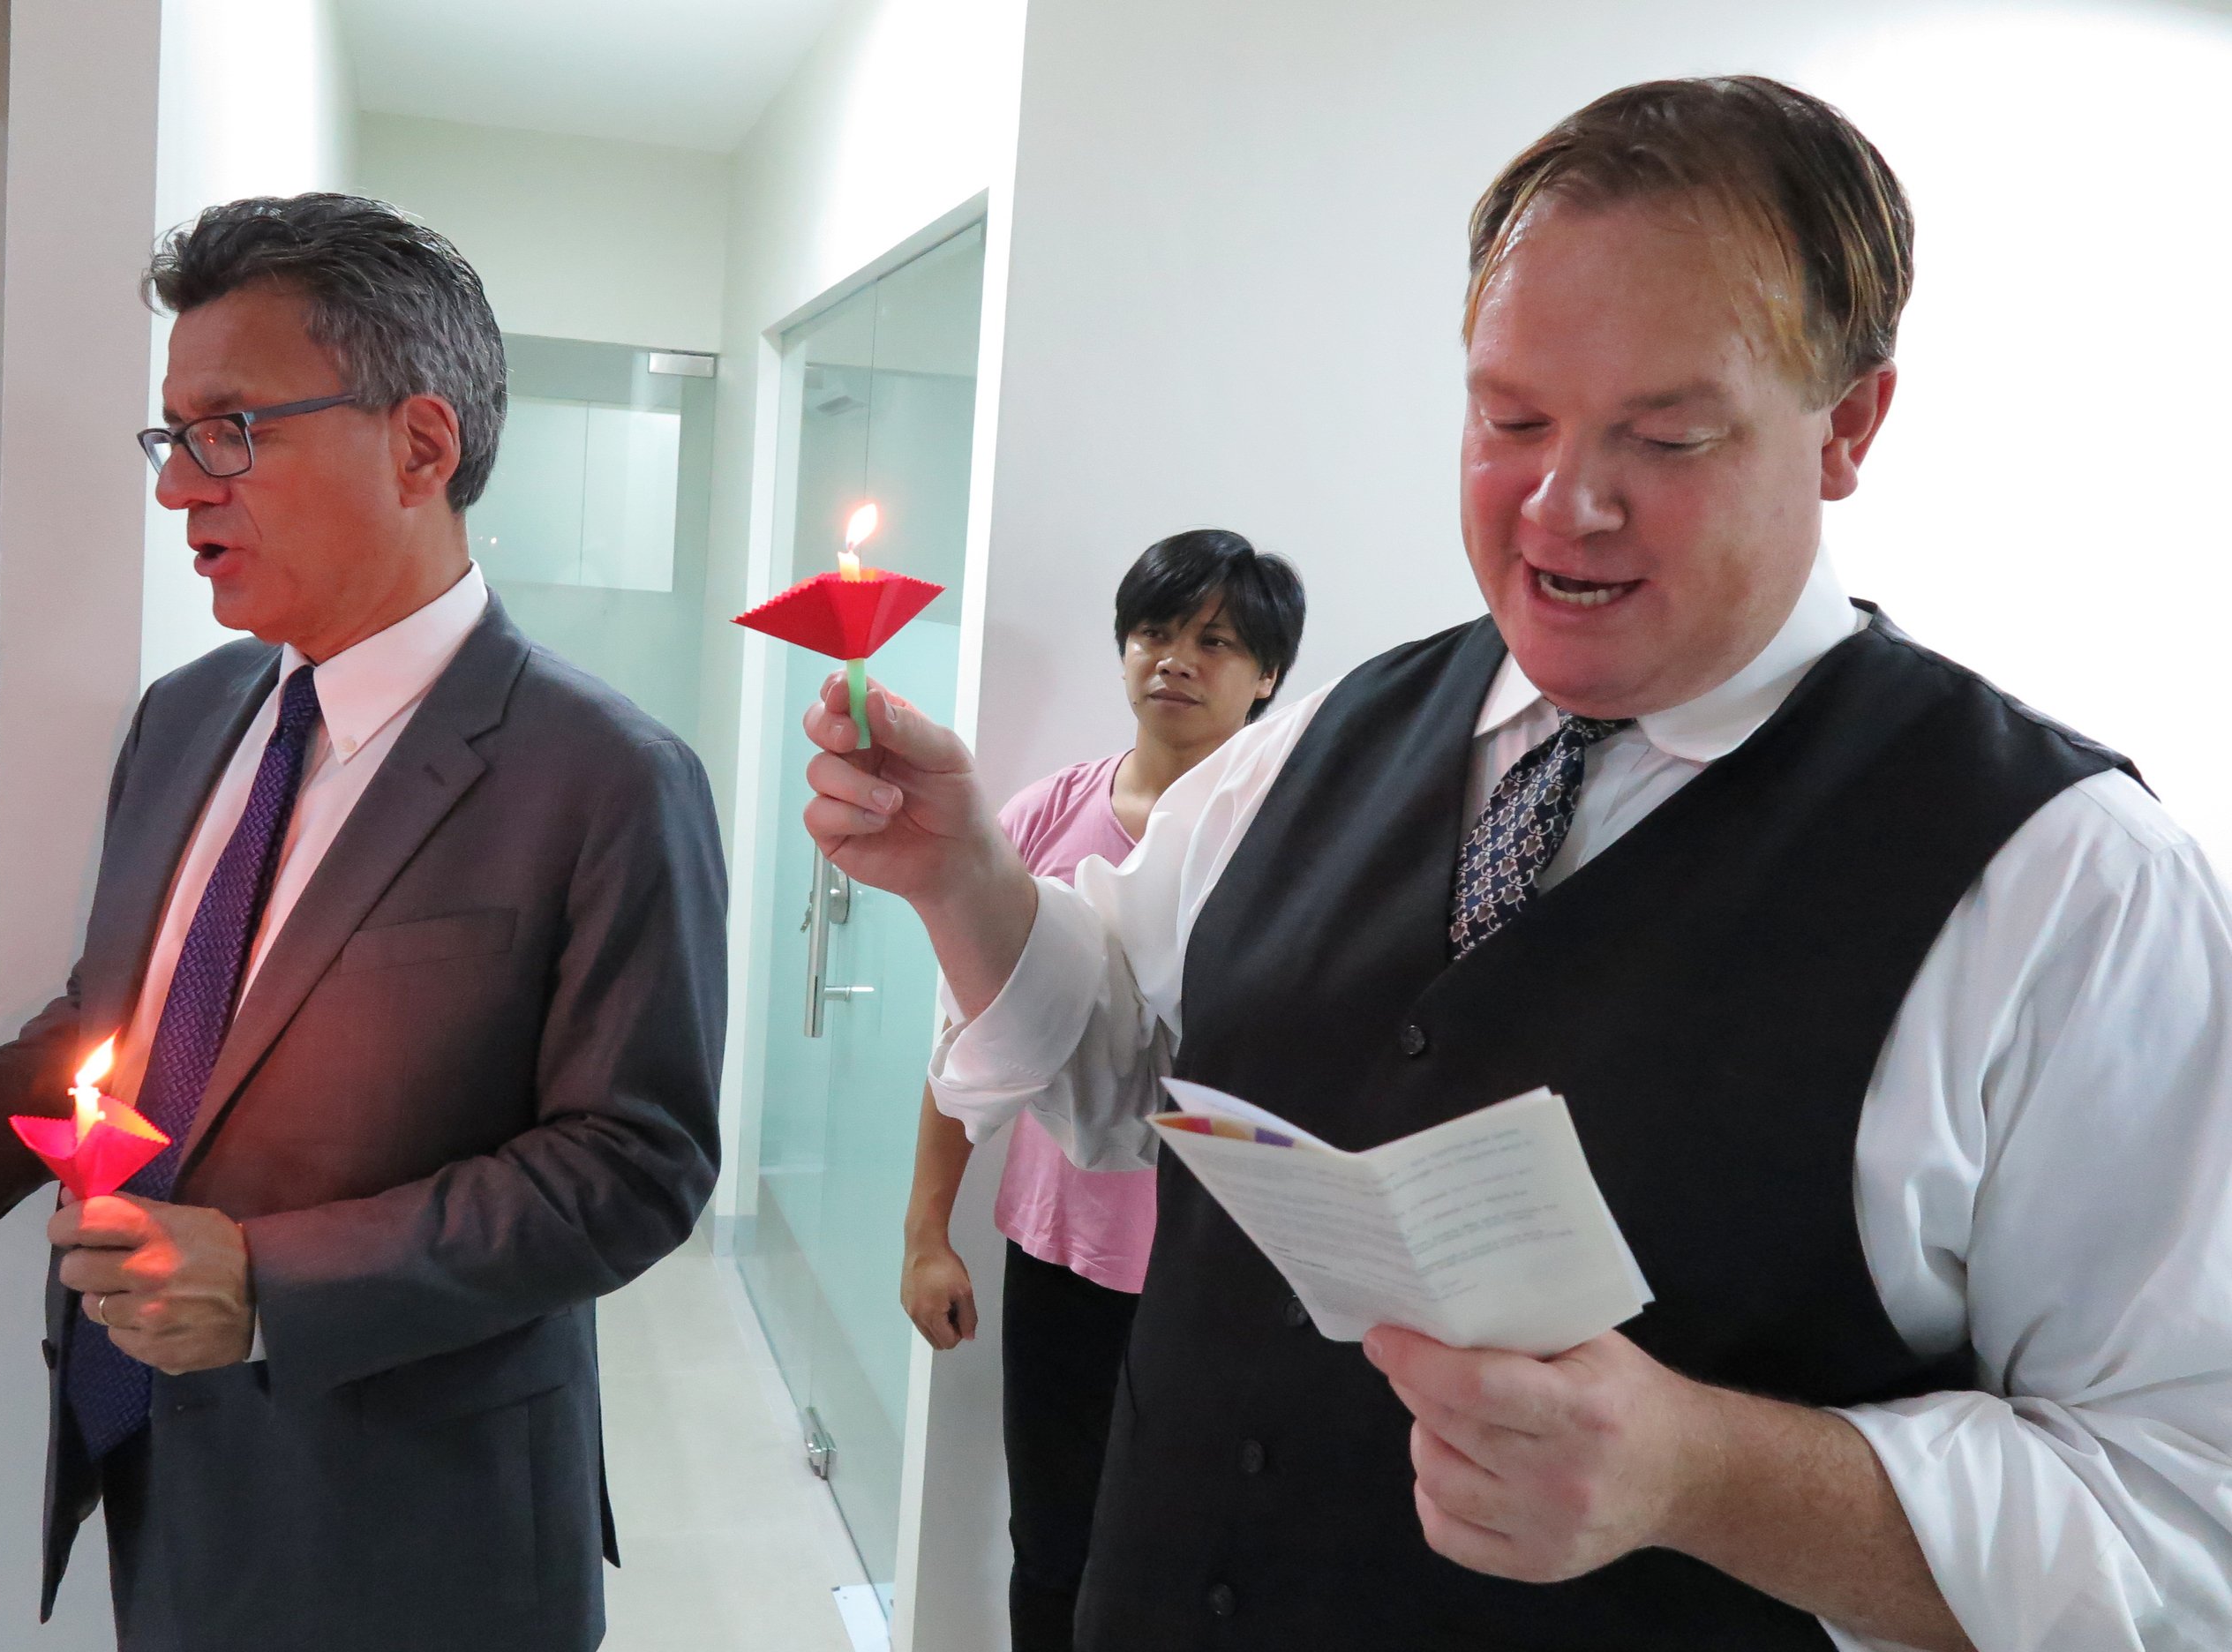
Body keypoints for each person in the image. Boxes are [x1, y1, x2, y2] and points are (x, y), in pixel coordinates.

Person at [800, 77, 2232, 1651]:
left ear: (1851, 425)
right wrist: (962, 878)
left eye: (1665, 432)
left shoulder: (2066, 888)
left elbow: (2179, 1516)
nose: (1565, 503)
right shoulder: (1332, 729)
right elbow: (1122, 1068)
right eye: (1511, 418)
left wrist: (1704, 1472)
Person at [0, 194, 727, 1651]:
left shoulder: (604, 774)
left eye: (229, 431)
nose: (179, 491)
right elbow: (110, 1032)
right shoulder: (188, 718)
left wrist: (270, 1280)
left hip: (415, 1502)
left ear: (421, 448)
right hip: (154, 1444)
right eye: (169, 438)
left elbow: (632, 1164)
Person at [897, 528, 1304, 1650]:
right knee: (1054, 1541)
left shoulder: (1299, 838)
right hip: (1060, 1254)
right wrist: (927, 1231)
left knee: (1200, 1546)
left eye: (1217, 642)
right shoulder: (1029, 822)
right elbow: (960, 1046)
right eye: (1157, 632)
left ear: (1267, 677)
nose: (1176, 658)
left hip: (1222, 1269)